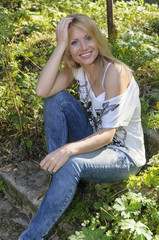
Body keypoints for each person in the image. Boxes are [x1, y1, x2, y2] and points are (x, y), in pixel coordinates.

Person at [19, 14, 146, 239]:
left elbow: (108, 136)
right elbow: (42, 91)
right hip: (94, 138)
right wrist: (59, 46)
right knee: (54, 99)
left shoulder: (114, 72)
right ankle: (57, 174)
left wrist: (67, 150)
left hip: (123, 154)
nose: (84, 47)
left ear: (97, 38)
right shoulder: (77, 68)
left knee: (70, 163)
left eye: (88, 38)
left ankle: (30, 237)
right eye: (74, 42)